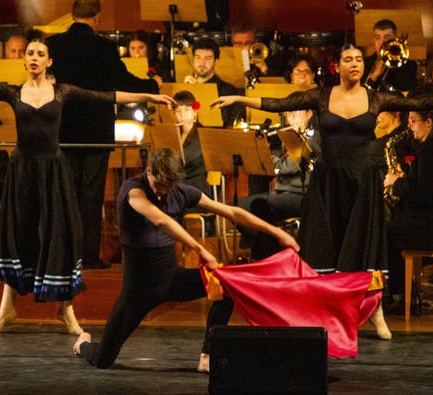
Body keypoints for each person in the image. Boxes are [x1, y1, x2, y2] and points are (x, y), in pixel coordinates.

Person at [213, 44, 433, 339]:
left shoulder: (376, 98)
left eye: (359, 59)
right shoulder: (321, 96)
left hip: (363, 182)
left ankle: (375, 312)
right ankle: (323, 313)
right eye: (348, 59)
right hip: (328, 183)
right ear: (338, 66)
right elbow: (278, 104)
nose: (355, 63)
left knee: (363, 250)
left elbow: (421, 104)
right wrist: (239, 97)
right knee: (325, 249)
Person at [0, 38, 175, 334]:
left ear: (49, 62)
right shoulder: (12, 92)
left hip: (53, 170)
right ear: (24, 60)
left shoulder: (62, 91)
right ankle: (7, 309)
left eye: (40, 54)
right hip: (22, 171)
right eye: (30, 53)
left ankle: (65, 311)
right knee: (19, 234)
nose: (33, 57)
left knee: (57, 234)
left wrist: (150, 96)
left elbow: (106, 97)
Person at [73, 149, 298, 371]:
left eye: (167, 187)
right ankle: (83, 343)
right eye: (159, 185)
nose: (162, 192)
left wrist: (277, 232)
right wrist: (200, 249)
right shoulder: (133, 190)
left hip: (172, 280)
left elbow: (232, 212)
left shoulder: (180, 192)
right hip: (138, 291)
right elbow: (161, 220)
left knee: (227, 285)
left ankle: (207, 355)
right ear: (149, 172)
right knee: (103, 360)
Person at [46, 0, 160, 269]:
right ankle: (87, 257)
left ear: (72, 15)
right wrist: (152, 86)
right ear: (97, 18)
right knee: (91, 195)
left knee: (67, 194)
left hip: (63, 131)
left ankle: (65, 256)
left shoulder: (53, 45)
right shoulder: (105, 48)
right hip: (95, 133)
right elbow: (123, 82)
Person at [384, 100, 433, 309]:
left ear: (428, 122)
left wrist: (397, 182)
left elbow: (423, 193)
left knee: (388, 232)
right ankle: (405, 292)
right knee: (393, 227)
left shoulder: (431, 149)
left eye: (413, 121)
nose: (409, 126)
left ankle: (402, 295)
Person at [239, 55, 319, 233]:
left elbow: (288, 167)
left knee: (245, 206)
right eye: (289, 113)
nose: (292, 117)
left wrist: (273, 161)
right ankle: (261, 241)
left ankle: (261, 243)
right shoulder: (287, 135)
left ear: (309, 114)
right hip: (284, 193)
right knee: (245, 203)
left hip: (301, 195)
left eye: (297, 112)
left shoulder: (312, 138)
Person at [183, 38, 243, 127]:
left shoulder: (227, 90)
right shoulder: (184, 86)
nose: (202, 63)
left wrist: (198, 89)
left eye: (208, 58)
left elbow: (222, 121)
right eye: (198, 57)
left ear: (216, 61)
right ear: (193, 59)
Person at [363, 19, 419, 93]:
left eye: (387, 37)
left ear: (395, 39)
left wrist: (396, 63)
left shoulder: (410, 65)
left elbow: (409, 91)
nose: (382, 43)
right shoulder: (364, 64)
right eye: (377, 38)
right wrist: (375, 75)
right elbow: (361, 96)